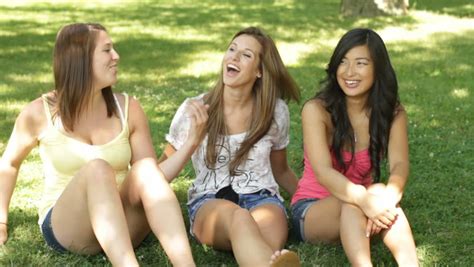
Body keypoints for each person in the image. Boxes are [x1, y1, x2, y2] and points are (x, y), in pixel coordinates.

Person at [0, 23, 205, 267]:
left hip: (123, 222)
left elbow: (154, 181)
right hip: (69, 226)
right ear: (80, 60)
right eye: (107, 50)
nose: (116, 56)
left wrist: (191, 142)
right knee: (98, 169)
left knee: (146, 168)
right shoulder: (38, 113)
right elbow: (9, 164)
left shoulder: (128, 108)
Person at [160, 26, 301, 267]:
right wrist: (194, 138)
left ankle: (267, 261)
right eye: (232, 49)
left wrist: (307, 198)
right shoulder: (194, 109)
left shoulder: (275, 112)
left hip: (262, 199)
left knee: (266, 243)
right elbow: (159, 175)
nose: (234, 57)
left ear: (260, 71)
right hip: (210, 202)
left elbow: (281, 170)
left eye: (246, 55)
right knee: (239, 219)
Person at [290, 28, 419, 266]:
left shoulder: (393, 114)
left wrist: (387, 201)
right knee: (353, 202)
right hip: (312, 210)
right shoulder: (316, 110)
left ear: (377, 69)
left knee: (380, 190)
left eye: (360, 63)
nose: (349, 72)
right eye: (343, 62)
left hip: (365, 204)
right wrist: (365, 200)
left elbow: (400, 165)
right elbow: (323, 173)